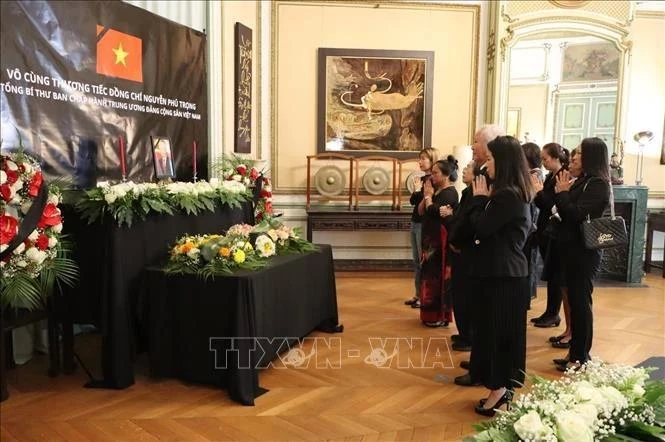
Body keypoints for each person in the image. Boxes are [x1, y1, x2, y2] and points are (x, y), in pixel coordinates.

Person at [464, 136, 534, 416]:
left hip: (504, 275)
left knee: (498, 334)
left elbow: (482, 228)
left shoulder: (507, 195)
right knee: (495, 332)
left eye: (491, 159)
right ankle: (499, 388)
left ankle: (500, 391)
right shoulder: (510, 191)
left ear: (503, 162)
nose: (486, 165)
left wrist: (480, 201)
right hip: (502, 273)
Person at [553, 138, 610, 372]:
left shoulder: (598, 184)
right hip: (572, 249)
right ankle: (573, 353)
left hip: (584, 253)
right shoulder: (584, 181)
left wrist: (564, 194)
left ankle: (580, 357)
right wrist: (562, 194)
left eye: (578, 153)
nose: (573, 157)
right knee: (575, 304)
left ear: (591, 157)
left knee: (581, 304)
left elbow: (576, 214)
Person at [530, 143, 570, 336]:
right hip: (547, 229)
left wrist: (538, 192)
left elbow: (552, 205)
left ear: (556, 158)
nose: (543, 162)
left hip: (554, 229)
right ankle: (549, 311)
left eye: (546, 158)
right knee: (550, 272)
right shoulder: (550, 177)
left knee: (555, 274)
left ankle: (553, 313)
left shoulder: (563, 176)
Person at [417, 156, 459, 327]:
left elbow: (434, 211)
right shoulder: (436, 192)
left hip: (440, 242)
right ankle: (429, 313)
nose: (432, 176)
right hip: (430, 240)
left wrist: (429, 199)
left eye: (435, 173)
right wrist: (426, 195)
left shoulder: (450, 193)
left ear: (446, 175)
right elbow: (422, 211)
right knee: (428, 275)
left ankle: (439, 315)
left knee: (438, 277)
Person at [405, 147, 439, 308]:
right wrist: (416, 191)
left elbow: (425, 201)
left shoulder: (432, 180)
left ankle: (423, 296)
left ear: (432, 160)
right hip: (415, 221)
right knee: (416, 261)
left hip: (423, 223)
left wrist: (418, 191)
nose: (420, 161)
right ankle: (417, 294)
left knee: (422, 261)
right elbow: (413, 201)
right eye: (420, 158)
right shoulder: (422, 178)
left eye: (423, 158)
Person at [447, 160, 475, 351]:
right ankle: (463, 332)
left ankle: (469, 336)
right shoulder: (466, 193)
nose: (464, 171)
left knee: (466, 296)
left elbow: (466, 223)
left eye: (468, 169)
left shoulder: (474, 195)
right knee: (458, 294)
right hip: (458, 249)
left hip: (466, 251)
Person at [521, 142, 542, 310]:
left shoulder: (534, 175)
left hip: (531, 228)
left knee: (529, 264)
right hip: (530, 226)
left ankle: (525, 298)